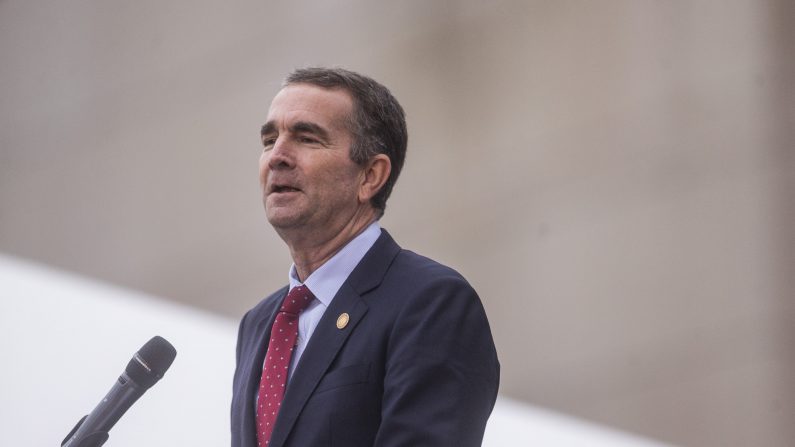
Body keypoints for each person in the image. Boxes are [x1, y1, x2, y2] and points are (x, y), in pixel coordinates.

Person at [231, 67, 499, 447]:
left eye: (307, 138)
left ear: (370, 176)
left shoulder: (430, 303)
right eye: (269, 139)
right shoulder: (258, 324)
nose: (277, 156)